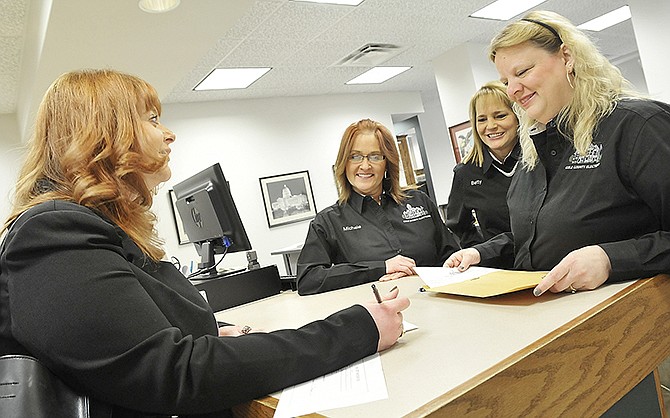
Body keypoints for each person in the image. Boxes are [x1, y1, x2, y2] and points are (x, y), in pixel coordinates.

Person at [0, 69, 410, 417]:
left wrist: (211, 330)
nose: (168, 134)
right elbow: (174, 373)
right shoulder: (52, 233)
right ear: (105, 137)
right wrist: (355, 330)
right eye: (152, 119)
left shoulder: (86, 229)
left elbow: (135, 339)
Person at [446, 10, 670, 296]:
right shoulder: (533, 151)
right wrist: (482, 253)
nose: (513, 90)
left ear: (566, 57)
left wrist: (611, 259)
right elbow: (538, 236)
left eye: (522, 72)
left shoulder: (637, 126)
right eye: (505, 81)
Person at [297, 118, 459, 295]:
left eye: (375, 156)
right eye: (355, 156)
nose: (365, 165)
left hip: (438, 304)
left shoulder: (419, 201)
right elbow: (309, 280)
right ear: (344, 163)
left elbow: (452, 257)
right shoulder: (328, 221)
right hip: (377, 314)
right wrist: (381, 268)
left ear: (387, 163)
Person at [445, 81, 520, 264]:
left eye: (500, 116)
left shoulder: (539, 159)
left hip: (547, 261)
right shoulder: (466, 173)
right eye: (482, 119)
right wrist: (481, 250)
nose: (491, 126)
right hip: (501, 269)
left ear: (518, 116)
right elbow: (458, 224)